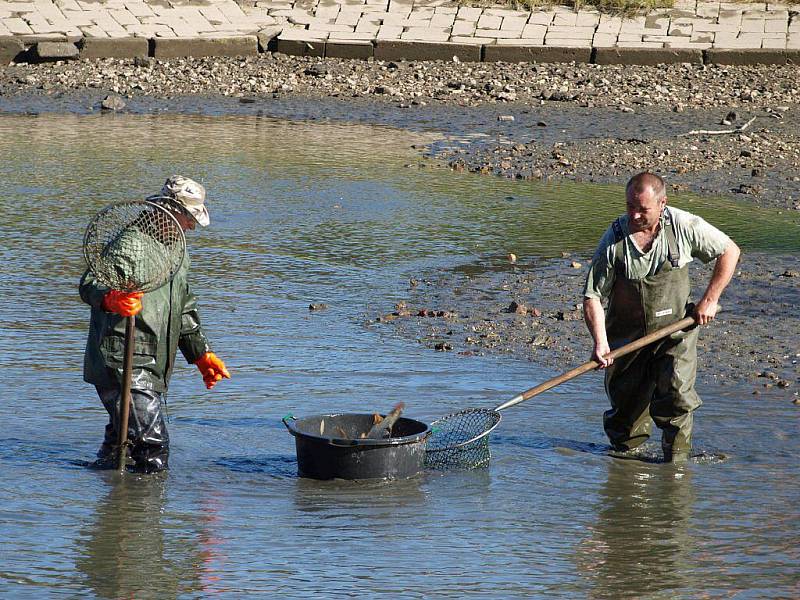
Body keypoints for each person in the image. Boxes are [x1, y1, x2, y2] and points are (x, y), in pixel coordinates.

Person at [582, 172, 740, 463]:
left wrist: (709, 300)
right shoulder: (615, 239)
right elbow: (592, 295)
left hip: (676, 332)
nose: (635, 214)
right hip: (627, 338)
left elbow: (729, 250)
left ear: (663, 204)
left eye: (643, 209)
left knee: (677, 399)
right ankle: (625, 469)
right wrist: (601, 343)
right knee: (625, 412)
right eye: (630, 206)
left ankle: (675, 467)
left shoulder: (683, 225)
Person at [80, 175, 231, 473]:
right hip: (122, 363)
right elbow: (89, 284)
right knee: (153, 447)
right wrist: (112, 299)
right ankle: (146, 515)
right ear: (166, 211)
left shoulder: (177, 249)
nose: (190, 226)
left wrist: (202, 354)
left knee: (120, 450)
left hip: (151, 362)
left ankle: (113, 505)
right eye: (187, 217)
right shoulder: (131, 244)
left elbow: (183, 305)